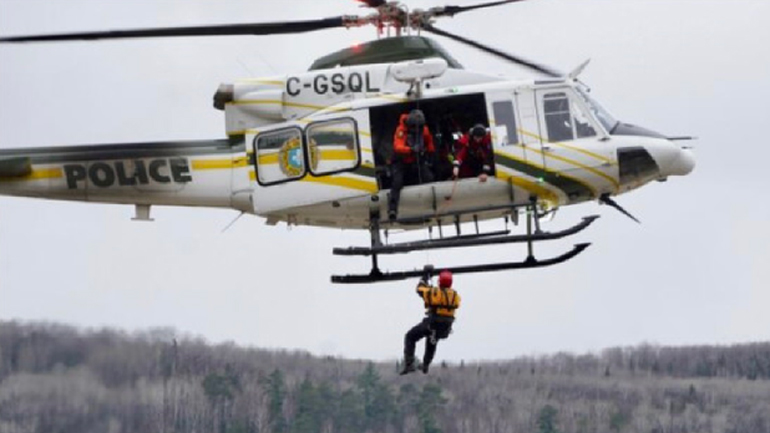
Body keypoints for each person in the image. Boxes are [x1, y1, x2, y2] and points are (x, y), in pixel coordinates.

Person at [400, 266, 461, 375]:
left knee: (410, 336)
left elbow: (420, 289)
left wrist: (425, 276)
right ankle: (425, 364)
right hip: (445, 328)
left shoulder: (435, 292)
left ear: (440, 281)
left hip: (432, 324)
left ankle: (409, 364)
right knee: (432, 341)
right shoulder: (455, 296)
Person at [388, 109, 435, 221]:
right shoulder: (401, 130)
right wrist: (411, 149)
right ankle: (392, 208)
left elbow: (429, 143)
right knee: (397, 182)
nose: (417, 130)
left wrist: (429, 153)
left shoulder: (424, 130)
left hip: (416, 160)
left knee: (429, 177)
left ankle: (431, 204)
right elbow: (397, 147)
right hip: (401, 161)